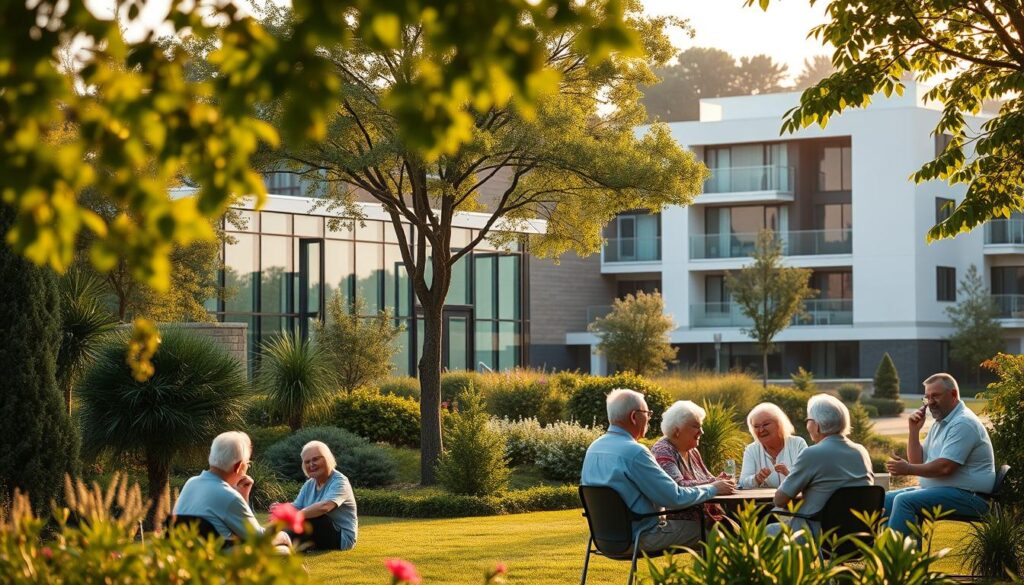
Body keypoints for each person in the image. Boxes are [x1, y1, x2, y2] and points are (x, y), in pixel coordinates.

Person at [581, 388, 736, 551]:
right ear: (634, 417)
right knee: (715, 532)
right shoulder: (634, 452)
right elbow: (674, 497)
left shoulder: (594, 448)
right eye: (647, 413)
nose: (649, 418)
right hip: (641, 536)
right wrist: (713, 488)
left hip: (604, 539)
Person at [884, 373, 995, 536]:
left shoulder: (963, 423)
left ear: (953, 394)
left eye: (935, 396)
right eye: (927, 397)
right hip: (947, 491)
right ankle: (880, 549)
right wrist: (914, 431)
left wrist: (907, 469)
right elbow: (918, 461)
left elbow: (945, 467)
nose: (930, 402)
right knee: (888, 499)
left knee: (904, 501)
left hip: (971, 497)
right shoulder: (941, 422)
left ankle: (897, 552)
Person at [769, 394, 873, 536]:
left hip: (816, 534)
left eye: (808, 420)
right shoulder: (861, 451)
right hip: (857, 534)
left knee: (764, 532)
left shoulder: (812, 454)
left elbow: (779, 500)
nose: (807, 425)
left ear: (817, 425)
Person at [174, 431, 291, 549]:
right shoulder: (228, 496)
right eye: (247, 463)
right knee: (282, 549)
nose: (248, 467)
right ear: (238, 466)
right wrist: (284, 536)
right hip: (216, 557)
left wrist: (243, 495)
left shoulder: (191, 483)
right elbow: (258, 538)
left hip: (186, 553)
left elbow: (243, 530)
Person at [651, 401, 728, 524]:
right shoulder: (663, 451)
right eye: (696, 426)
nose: (701, 432)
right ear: (677, 430)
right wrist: (715, 484)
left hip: (705, 517)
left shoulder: (692, 451)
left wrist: (721, 480)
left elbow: (708, 478)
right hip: (684, 521)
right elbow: (678, 487)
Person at [273, 440, 358, 551]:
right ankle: (280, 545)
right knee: (295, 519)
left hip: (341, 539)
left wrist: (297, 516)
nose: (311, 464)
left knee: (313, 518)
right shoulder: (309, 484)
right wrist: (282, 509)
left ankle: (277, 541)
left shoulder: (340, 482)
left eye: (315, 459)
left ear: (327, 459)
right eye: (307, 462)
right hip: (318, 534)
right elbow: (297, 506)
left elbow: (324, 507)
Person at [740, 402, 808, 489]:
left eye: (766, 424)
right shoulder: (751, 450)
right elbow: (742, 483)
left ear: (779, 424)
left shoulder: (798, 444)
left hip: (795, 497)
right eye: (756, 426)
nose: (761, 430)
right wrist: (757, 479)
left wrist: (788, 473)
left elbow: (807, 478)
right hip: (762, 498)